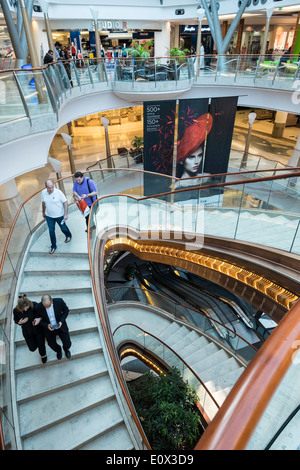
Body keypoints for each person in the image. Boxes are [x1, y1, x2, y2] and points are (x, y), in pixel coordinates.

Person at [36, 294, 71, 360]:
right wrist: (47, 325)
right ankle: (59, 350)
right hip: (49, 329)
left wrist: (61, 321)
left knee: (68, 343)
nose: (48, 307)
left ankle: (66, 349)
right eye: (45, 306)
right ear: (42, 303)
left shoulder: (59, 301)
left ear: (51, 300)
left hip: (60, 325)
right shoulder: (38, 307)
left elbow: (66, 311)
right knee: (52, 345)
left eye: (49, 305)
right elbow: (38, 320)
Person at [13, 294, 47, 363]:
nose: (25, 309)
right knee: (32, 348)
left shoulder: (34, 305)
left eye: (27, 307)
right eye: (23, 308)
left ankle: (43, 355)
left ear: (29, 303)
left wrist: (39, 319)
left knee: (41, 345)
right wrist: (20, 322)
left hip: (37, 329)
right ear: (20, 307)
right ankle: (38, 346)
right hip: (27, 331)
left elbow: (43, 314)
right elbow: (15, 320)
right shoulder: (16, 310)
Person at [42, 180, 72, 254]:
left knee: (63, 228)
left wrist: (65, 214)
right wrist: (43, 212)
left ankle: (68, 235)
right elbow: (43, 203)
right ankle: (53, 246)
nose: (51, 189)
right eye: (49, 188)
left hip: (59, 215)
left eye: (52, 187)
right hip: (49, 216)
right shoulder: (43, 192)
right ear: (46, 187)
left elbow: (65, 202)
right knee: (51, 231)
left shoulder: (58, 192)